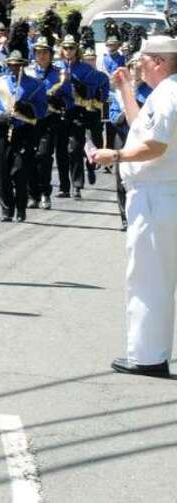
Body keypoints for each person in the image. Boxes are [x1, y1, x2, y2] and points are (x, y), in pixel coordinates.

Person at [90, 34, 177, 378]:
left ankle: (148, 357)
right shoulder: (164, 93)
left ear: (159, 61)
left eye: (142, 60)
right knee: (153, 275)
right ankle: (148, 353)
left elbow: (155, 146)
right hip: (157, 193)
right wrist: (125, 88)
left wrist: (117, 154)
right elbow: (142, 126)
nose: (137, 65)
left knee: (149, 278)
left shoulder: (169, 96)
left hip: (157, 194)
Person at [0, 27, 47, 222]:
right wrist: (1, 116)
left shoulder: (36, 85)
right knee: (3, 173)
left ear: (23, 65)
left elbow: (42, 109)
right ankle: (6, 208)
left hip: (24, 132)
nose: (15, 68)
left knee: (19, 171)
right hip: (4, 132)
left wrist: (28, 108)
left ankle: (21, 207)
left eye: (18, 65)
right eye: (12, 65)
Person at [25, 36, 71, 209]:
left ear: (51, 55)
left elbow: (70, 98)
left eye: (45, 52)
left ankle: (45, 193)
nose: (42, 55)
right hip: (29, 121)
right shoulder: (27, 72)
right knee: (29, 156)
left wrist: (62, 103)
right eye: (38, 52)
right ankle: (32, 194)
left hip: (49, 120)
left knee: (43, 156)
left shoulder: (59, 73)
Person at [62, 34, 108, 199]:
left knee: (83, 145)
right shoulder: (57, 67)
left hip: (83, 112)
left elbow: (100, 85)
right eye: (65, 48)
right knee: (70, 149)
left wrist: (75, 83)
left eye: (71, 48)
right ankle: (72, 185)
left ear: (76, 50)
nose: (68, 51)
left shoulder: (85, 69)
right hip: (65, 113)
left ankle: (85, 173)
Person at [109, 53, 151, 230]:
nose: (137, 71)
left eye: (139, 67)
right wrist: (124, 112)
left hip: (144, 138)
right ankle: (125, 217)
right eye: (133, 68)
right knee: (121, 177)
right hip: (123, 135)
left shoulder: (151, 90)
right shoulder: (119, 92)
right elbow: (112, 116)